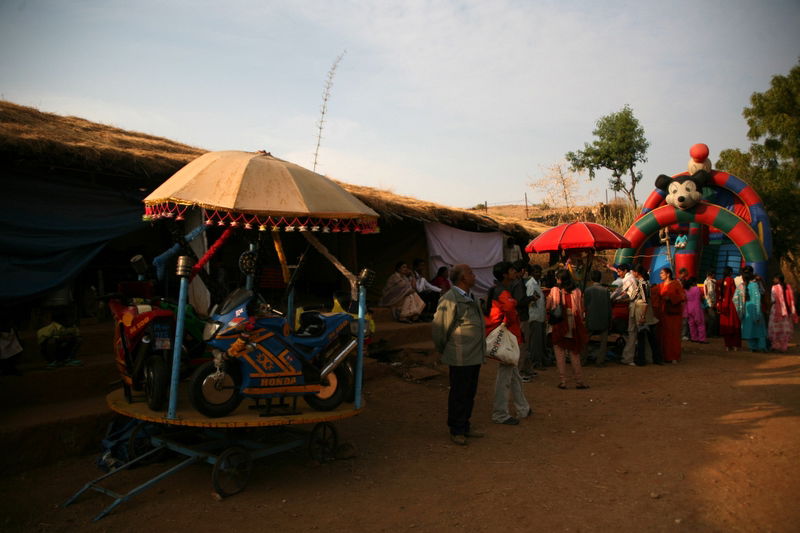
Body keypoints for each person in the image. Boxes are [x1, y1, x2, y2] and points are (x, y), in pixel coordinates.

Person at [432, 264, 486, 445]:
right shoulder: (450, 299)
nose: (474, 276)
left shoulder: (471, 297)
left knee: (469, 392)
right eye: (470, 273)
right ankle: (456, 429)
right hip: (460, 355)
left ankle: (465, 425)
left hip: (474, 355)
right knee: (459, 393)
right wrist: (444, 350)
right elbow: (440, 329)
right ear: (462, 278)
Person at [485, 261, 531, 425]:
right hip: (508, 338)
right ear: (505, 274)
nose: (514, 272)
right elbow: (510, 313)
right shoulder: (503, 293)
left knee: (513, 375)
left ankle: (523, 407)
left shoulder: (499, 291)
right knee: (505, 377)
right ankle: (500, 413)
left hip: (508, 337)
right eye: (512, 270)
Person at [547, 269, 589, 389]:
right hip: (574, 323)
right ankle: (579, 381)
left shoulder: (555, 290)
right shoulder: (577, 291)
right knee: (574, 353)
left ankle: (563, 381)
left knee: (559, 353)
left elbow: (548, 306)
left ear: (560, 279)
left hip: (559, 323)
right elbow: (581, 310)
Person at [652, 267, 685, 364]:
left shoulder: (676, 284)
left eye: (662, 273)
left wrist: (670, 298)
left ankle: (673, 356)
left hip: (673, 315)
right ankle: (664, 355)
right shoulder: (660, 286)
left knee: (673, 335)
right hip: (663, 314)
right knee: (663, 335)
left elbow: (682, 296)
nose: (660, 275)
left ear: (668, 274)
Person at [633, 265, 662, 365]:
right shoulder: (646, 283)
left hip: (644, 312)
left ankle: (642, 360)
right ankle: (656, 359)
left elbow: (645, 301)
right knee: (651, 337)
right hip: (648, 312)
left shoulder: (642, 284)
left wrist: (642, 316)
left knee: (643, 338)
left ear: (637, 273)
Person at [610, 263, 638, 366]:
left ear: (625, 270)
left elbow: (619, 293)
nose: (618, 274)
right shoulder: (631, 278)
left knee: (631, 332)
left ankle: (628, 357)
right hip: (633, 307)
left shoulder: (627, 280)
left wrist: (613, 299)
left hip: (633, 307)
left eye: (619, 271)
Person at [583, 270, 611, 367]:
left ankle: (583, 359)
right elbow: (609, 306)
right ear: (600, 278)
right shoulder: (606, 291)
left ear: (591, 278)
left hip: (591, 318)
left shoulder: (587, 290)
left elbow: (585, 305)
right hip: (603, 319)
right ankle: (600, 361)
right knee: (603, 341)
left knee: (585, 340)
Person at [735, 271, 767, 352]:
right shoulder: (754, 285)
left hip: (747, 308)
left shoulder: (741, 286)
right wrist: (758, 312)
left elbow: (735, 298)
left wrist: (740, 309)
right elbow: (758, 297)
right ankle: (762, 347)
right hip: (755, 307)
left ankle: (753, 347)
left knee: (749, 329)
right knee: (759, 329)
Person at [524, 264, 547, 372]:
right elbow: (530, 300)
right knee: (535, 342)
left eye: (540, 272)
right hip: (534, 316)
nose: (539, 274)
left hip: (540, 315)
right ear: (532, 273)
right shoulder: (531, 284)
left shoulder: (538, 283)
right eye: (537, 272)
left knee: (539, 341)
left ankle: (540, 360)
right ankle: (535, 362)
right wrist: (534, 299)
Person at [768, 274, 797, 352]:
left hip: (776, 311)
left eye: (774, 278)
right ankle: (784, 347)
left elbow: (773, 299)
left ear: (778, 279)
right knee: (784, 329)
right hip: (786, 311)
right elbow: (792, 300)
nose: (773, 280)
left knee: (775, 329)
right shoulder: (788, 287)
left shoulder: (774, 287)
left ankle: (775, 346)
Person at [717, 267, 742, 351]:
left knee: (726, 326)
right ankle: (735, 345)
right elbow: (733, 293)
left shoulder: (720, 281)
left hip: (723, 307)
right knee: (734, 325)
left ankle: (727, 345)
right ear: (730, 273)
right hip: (731, 306)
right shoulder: (731, 280)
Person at [683, 277, 707, 343]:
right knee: (700, 323)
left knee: (691, 324)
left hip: (688, 308)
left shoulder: (686, 290)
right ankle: (702, 339)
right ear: (694, 282)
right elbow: (701, 297)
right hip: (697, 308)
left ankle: (694, 338)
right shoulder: (697, 289)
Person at [703, 272, 718, 337]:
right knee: (713, 318)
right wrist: (712, 302)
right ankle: (709, 333)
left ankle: (709, 333)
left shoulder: (707, 281)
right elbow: (710, 293)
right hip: (710, 302)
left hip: (708, 302)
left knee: (710, 318)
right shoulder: (710, 282)